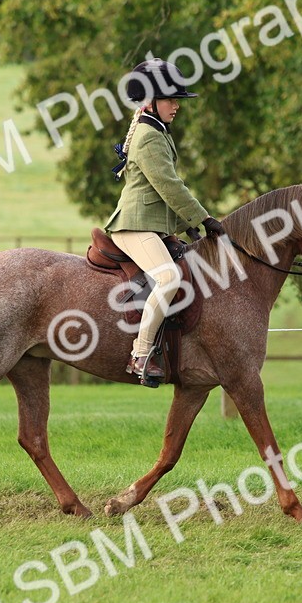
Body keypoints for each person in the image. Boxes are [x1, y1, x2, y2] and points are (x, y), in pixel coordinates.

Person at [104, 58, 225, 386]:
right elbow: (169, 185)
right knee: (169, 278)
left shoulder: (156, 130)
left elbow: (161, 191)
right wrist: (203, 217)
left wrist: (189, 227)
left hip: (152, 224)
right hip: (134, 226)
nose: (177, 106)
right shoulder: (148, 136)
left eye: (178, 100)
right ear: (151, 101)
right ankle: (141, 354)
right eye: (172, 99)